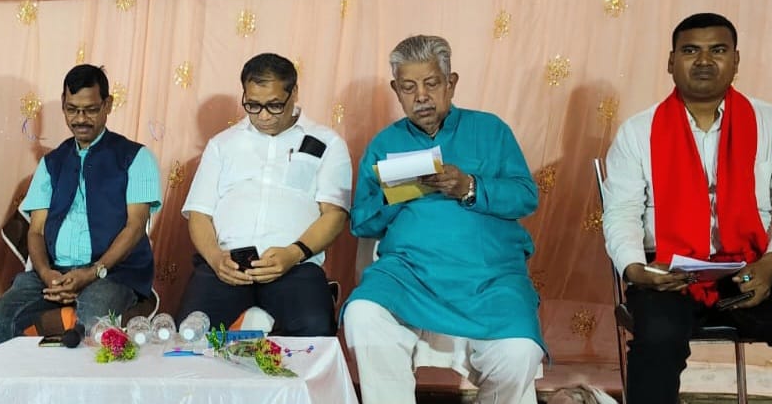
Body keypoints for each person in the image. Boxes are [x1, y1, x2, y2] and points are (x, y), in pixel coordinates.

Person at [601, 12, 772, 402]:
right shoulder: (638, 131)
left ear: (736, 60)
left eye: (717, 50)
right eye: (690, 51)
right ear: (671, 61)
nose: (704, 61)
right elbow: (621, 212)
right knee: (658, 340)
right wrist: (637, 271)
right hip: (668, 273)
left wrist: (771, 266)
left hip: (754, 267)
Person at [342, 35, 545, 404]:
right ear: (396, 91)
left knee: (520, 351)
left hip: (490, 278)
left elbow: (525, 196)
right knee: (363, 314)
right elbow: (361, 222)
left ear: (451, 83)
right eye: (409, 87)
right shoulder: (385, 144)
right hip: (409, 275)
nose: (421, 96)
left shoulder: (490, 130)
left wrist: (470, 186)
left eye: (431, 83)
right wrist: (398, 190)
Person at [0, 64, 161, 346]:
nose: (80, 119)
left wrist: (92, 272)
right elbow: (36, 231)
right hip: (54, 272)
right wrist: (47, 274)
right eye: (72, 109)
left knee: (92, 317)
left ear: (108, 105)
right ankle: (21, 377)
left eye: (90, 110)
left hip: (112, 273)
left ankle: (85, 379)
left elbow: (135, 226)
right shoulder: (52, 163)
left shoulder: (136, 158)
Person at [177, 53, 350, 335]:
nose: (264, 115)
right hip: (228, 264)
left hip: (295, 264)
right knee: (188, 334)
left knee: (315, 329)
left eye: (274, 105)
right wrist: (216, 259)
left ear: (294, 93)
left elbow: (334, 214)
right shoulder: (223, 144)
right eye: (253, 105)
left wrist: (293, 253)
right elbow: (199, 213)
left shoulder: (327, 142)